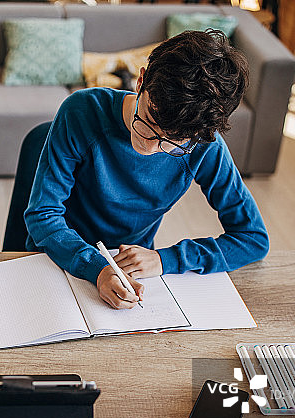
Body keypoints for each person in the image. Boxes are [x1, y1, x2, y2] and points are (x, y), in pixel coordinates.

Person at [24, 29, 269, 310]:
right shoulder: (82, 111)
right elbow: (42, 214)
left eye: (173, 142)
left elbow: (253, 238)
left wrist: (166, 260)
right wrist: (96, 268)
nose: (150, 147)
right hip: (57, 256)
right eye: (148, 122)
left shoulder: (203, 144)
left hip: (130, 270)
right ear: (141, 80)